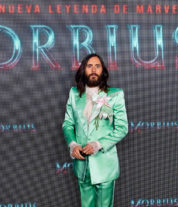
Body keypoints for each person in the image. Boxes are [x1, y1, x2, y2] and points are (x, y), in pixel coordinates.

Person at [62, 53, 128, 207]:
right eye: (89, 66)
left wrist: (99, 144)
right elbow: (67, 124)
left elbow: (122, 128)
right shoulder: (74, 94)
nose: (93, 70)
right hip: (82, 166)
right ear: (83, 70)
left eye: (97, 66)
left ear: (102, 71)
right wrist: (72, 144)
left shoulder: (115, 95)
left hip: (104, 165)